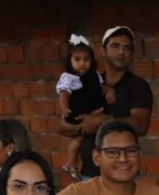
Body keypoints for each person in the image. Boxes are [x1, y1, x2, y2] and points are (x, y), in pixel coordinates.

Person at [59, 26, 152, 180]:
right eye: (115, 46)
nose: (122, 52)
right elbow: (62, 126)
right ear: (103, 51)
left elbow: (140, 125)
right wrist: (82, 125)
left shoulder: (138, 86)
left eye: (127, 48)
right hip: (88, 174)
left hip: (124, 174)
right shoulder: (86, 82)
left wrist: (102, 122)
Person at [56, 34, 116, 180]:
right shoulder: (69, 77)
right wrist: (64, 108)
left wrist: (110, 90)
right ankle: (70, 163)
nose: (82, 63)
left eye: (86, 59)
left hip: (94, 111)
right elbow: (64, 94)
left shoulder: (94, 75)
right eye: (77, 60)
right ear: (70, 61)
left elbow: (101, 87)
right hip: (78, 113)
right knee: (79, 139)